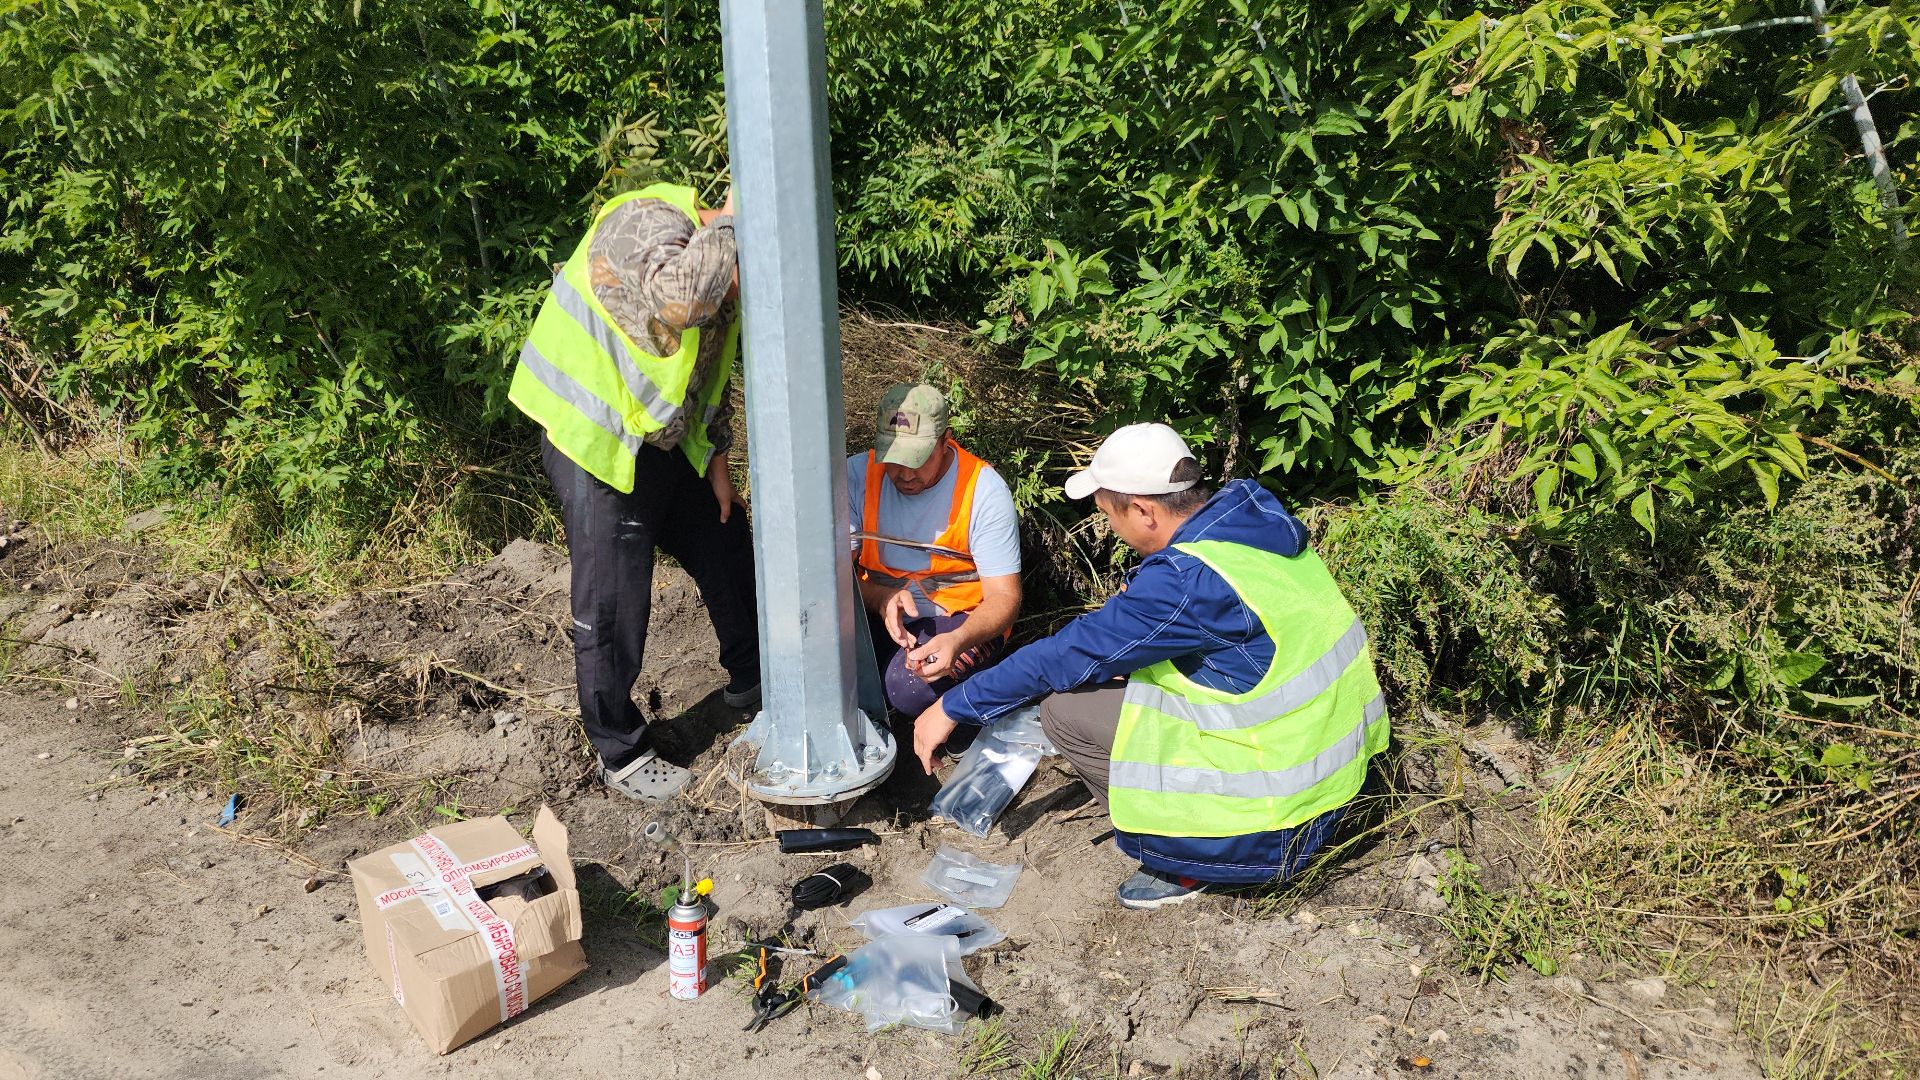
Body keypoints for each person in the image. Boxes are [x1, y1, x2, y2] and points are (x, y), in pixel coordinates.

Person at [910, 423, 1388, 909]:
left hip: (1281, 820)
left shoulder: (1187, 580)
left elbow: (1065, 655)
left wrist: (953, 705)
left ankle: (1184, 858)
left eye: (1109, 516)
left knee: (1064, 714)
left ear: (1143, 510)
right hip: (1350, 776)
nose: (1111, 530)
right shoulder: (1250, 523)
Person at [509, 182, 760, 802]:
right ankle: (617, 748)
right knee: (614, 596)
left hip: (665, 441)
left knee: (726, 540)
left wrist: (719, 461)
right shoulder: (643, 225)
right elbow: (682, 301)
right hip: (596, 442)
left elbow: (708, 371)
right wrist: (737, 223)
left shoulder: (720, 270)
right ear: (719, 228)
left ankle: (756, 681)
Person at [849, 383, 1022, 716]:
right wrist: (883, 599)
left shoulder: (983, 490)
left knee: (907, 687)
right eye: (893, 458)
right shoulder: (857, 477)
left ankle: (963, 723)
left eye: (917, 459)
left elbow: (1005, 599)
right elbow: (830, 578)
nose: (904, 473)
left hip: (963, 620)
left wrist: (959, 641)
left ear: (946, 440)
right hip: (880, 613)